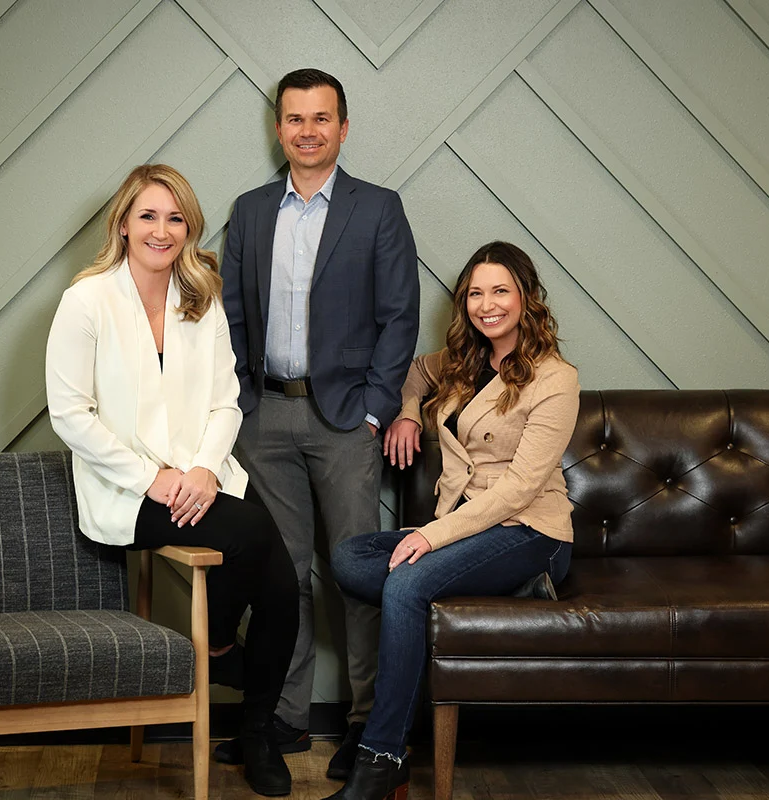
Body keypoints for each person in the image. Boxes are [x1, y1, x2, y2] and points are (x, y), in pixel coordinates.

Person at [45, 164, 300, 797]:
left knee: (282, 582)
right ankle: (219, 653)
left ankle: (256, 730)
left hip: (200, 477)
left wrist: (205, 470)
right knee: (256, 539)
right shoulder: (88, 299)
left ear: (189, 228)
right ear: (124, 223)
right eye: (149, 216)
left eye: (176, 217)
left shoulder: (202, 297)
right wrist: (152, 478)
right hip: (126, 493)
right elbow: (69, 413)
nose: (162, 230)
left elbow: (225, 402)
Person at [219, 67, 420, 781]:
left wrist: (373, 410)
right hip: (263, 415)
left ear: (342, 127)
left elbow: (400, 316)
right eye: (295, 118)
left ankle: (367, 725)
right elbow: (232, 316)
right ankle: (287, 717)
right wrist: (241, 404)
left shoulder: (378, 209)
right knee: (283, 577)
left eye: (321, 118)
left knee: (356, 571)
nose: (308, 130)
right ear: (279, 128)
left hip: (345, 422)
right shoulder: (247, 211)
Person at [326, 241, 580, 800]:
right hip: (466, 525)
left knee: (409, 584)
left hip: (530, 530)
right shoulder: (463, 361)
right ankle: (516, 591)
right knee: (349, 558)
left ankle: (382, 757)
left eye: (500, 291)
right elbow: (414, 374)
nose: (486, 305)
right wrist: (410, 414)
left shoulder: (556, 378)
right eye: (475, 293)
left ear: (526, 297)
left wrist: (429, 535)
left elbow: (518, 490)